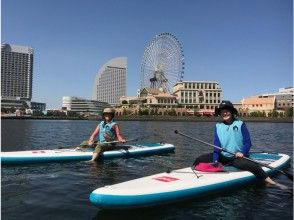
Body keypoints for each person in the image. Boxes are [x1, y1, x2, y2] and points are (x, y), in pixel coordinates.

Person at [193, 100, 285, 188]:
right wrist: (215, 161)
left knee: (253, 166)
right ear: (220, 113)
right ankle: (193, 174)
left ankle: (272, 182)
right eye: (222, 111)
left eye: (227, 111)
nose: (224, 113)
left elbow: (248, 142)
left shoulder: (240, 124)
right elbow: (216, 145)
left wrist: (242, 152)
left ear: (232, 112)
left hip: (236, 157)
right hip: (222, 156)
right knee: (199, 159)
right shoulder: (218, 126)